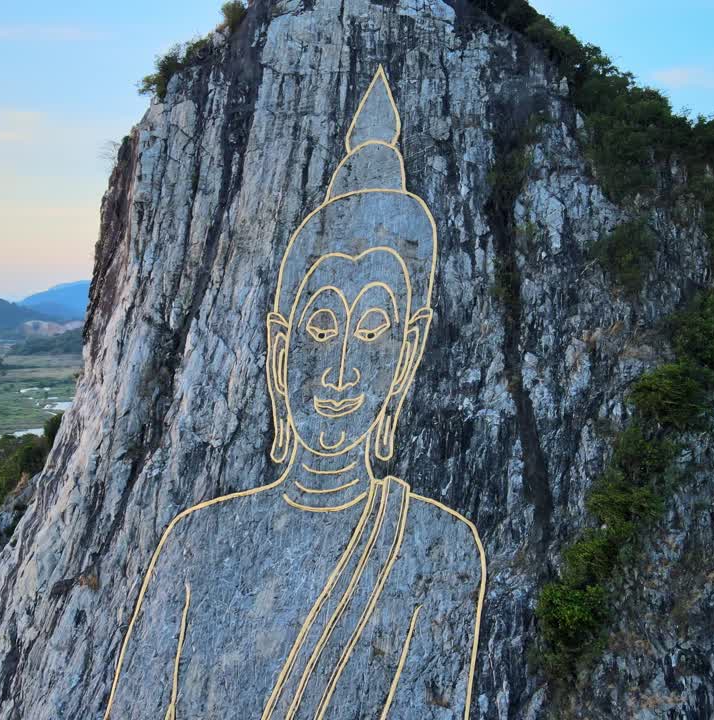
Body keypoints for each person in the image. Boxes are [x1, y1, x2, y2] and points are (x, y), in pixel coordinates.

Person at [103, 67, 486, 720]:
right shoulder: (194, 541)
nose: (340, 369)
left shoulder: (439, 549)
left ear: (409, 351)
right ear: (279, 348)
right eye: (321, 323)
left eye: (373, 329)